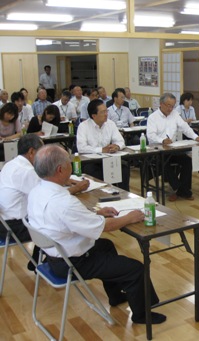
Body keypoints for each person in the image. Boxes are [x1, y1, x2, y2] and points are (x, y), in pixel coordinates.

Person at [27, 144, 166, 325]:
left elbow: (68, 220)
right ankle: (142, 315)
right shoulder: (63, 202)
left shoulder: (37, 191)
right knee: (135, 269)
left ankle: (115, 295)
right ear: (60, 170)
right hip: (72, 263)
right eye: (69, 163)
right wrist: (129, 217)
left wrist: (98, 213)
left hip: (54, 256)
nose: (72, 166)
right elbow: (105, 227)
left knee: (106, 246)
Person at [0, 135, 89, 271]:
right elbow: (48, 195)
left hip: (6, 221)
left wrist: (65, 179)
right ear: (31, 152)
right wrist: (77, 188)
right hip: (14, 226)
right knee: (53, 220)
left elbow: (44, 184)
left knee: (44, 214)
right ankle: (54, 261)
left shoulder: (12, 164)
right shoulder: (26, 171)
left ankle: (37, 261)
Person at [146, 93, 199, 201]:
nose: (170, 108)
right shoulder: (153, 117)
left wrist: (195, 137)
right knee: (164, 162)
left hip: (172, 149)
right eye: (168, 105)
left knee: (187, 161)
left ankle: (183, 190)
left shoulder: (175, 114)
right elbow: (151, 135)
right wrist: (162, 140)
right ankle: (180, 190)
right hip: (156, 151)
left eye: (172, 106)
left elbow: (185, 127)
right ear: (161, 104)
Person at [77, 99, 130, 191]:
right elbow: (81, 148)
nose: (106, 114)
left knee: (124, 168)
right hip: (91, 161)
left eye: (106, 111)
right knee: (93, 171)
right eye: (103, 112)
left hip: (108, 159)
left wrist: (116, 146)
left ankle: (123, 196)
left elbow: (121, 141)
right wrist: (101, 150)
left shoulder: (110, 124)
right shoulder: (83, 126)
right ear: (93, 115)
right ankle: (99, 195)